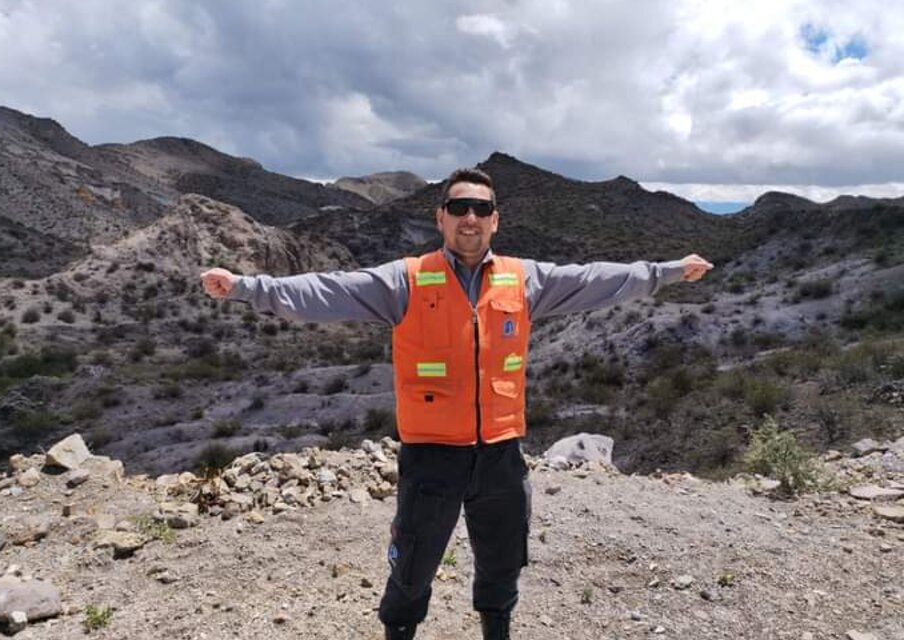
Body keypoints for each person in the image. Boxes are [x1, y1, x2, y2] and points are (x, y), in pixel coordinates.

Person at [201, 167, 713, 639]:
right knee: (412, 568)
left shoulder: (524, 278)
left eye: (482, 209)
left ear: (495, 220)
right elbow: (328, 290)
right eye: (460, 207)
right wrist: (247, 287)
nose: (471, 217)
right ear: (440, 216)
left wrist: (664, 271)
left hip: (500, 453)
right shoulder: (406, 279)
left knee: (503, 563)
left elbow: (593, 279)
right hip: (431, 455)